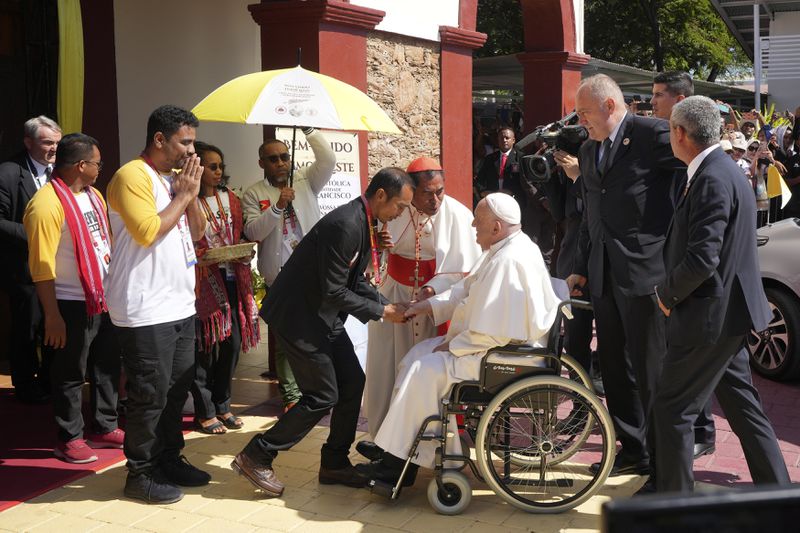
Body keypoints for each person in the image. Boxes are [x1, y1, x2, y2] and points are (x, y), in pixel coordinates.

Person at [231, 168, 413, 497]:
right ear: (381, 196)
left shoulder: (364, 221)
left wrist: (386, 303)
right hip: (299, 317)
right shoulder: (347, 224)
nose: (401, 214)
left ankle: (334, 463)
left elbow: (353, 282)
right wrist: (382, 311)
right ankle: (256, 455)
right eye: (400, 206)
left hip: (322, 316)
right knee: (322, 396)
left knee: (352, 381)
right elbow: (333, 291)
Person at [356, 193, 560, 484]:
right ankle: (400, 455)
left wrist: (453, 345)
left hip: (502, 353)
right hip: (492, 347)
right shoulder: (503, 248)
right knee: (413, 359)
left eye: (479, 221)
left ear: (497, 227)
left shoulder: (509, 261)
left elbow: (496, 331)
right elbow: (464, 290)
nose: (473, 224)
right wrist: (422, 307)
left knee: (421, 371)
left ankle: (402, 464)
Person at [652, 95, 790, 493]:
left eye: (668, 130)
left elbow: (702, 258)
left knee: (672, 409)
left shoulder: (712, 176)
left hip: (708, 317)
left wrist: (665, 295)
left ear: (680, 133)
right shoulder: (723, 169)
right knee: (744, 408)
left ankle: (673, 507)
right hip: (728, 313)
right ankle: (778, 491)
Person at [566, 74, 683, 491]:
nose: (581, 121)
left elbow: (697, 170)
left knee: (652, 371)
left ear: (610, 106)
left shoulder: (653, 134)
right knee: (614, 368)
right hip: (602, 274)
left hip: (646, 276)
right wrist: (580, 264)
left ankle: (663, 464)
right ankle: (632, 450)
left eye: (585, 113)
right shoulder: (587, 148)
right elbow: (590, 215)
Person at [105, 105, 209, 504]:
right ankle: (140, 473)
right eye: (185, 141)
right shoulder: (132, 176)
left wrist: (191, 195)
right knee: (150, 393)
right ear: (160, 139)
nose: (191, 150)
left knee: (175, 389)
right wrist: (182, 194)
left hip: (179, 305)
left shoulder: (173, 180)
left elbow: (197, 232)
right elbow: (148, 232)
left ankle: (168, 458)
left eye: (193, 142)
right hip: (144, 306)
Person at [360, 156, 480, 457]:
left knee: (422, 373)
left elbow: (461, 269)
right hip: (394, 294)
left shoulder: (457, 215)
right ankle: (383, 439)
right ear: (412, 190)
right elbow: (370, 248)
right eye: (427, 193)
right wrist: (380, 243)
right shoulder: (394, 208)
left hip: (433, 304)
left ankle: (424, 440)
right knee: (385, 368)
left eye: (440, 191)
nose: (436, 199)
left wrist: (430, 291)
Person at [23, 133, 123, 463]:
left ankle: (106, 424)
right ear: (81, 165)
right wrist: (52, 315)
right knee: (69, 371)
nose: (100, 169)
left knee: (106, 365)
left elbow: (104, 242)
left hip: (101, 296)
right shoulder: (45, 204)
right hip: (68, 302)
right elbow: (41, 267)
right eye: (97, 163)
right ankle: (70, 436)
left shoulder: (94, 195)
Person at [241, 128, 335, 411]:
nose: (281, 163)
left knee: (316, 330)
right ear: (262, 164)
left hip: (311, 270)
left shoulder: (306, 180)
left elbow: (329, 159)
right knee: (284, 338)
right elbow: (253, 231)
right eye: (273, 159)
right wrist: (278, 206)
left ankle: (316, 386)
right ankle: (292, 396)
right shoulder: (254, 193)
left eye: (284, 157)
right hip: (279, 274)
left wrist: (309, 130)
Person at [651, 70, 716, 458]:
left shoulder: (707, 169)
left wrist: (669, 293)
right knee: (729, 384)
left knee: (677, 394)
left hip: (695, 288)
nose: (652, 101)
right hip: (683, 271)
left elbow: (705, 252)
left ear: (679, 103)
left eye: (659, 95)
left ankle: (698, 434)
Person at [190, 142, 260, 435]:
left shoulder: (229, 198)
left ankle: (223, 403)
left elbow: (239, 234)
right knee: (205, 348)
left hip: (232, 277)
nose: (218, 171)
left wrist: (244, 251)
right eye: (212, 166)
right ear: (197, 168)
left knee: (231, 345)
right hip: (203, 282)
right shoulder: (188, 201)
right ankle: (205, 410)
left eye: (221, 166)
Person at [0, 115, 62, 404]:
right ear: (28, 143)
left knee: (55, 324)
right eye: (47, 142)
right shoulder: (9, 173)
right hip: (23, 269)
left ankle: (50, 380)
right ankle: (25, 385)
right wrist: (35, 234)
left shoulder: (62, 171)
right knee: (28, 327)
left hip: (58, 266)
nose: (54, 148)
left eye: (57, 143)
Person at [474, 127, 554, 260]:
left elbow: (524, 183)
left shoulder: (522, 158)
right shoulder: (490, 159)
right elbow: (480, 182)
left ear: (513, 140)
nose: (504, 140)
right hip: (493, 204)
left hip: (518, 206)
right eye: (501, 138)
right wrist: (488, 193)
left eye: (507, 138)